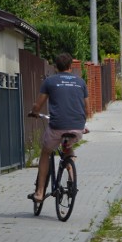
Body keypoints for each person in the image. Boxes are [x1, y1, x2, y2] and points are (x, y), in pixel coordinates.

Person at [27, 52, 88, 203]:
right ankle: (72, 180)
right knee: (67, 147)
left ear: (55, 67)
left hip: (57, 126)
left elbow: (38, 104)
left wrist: (34, 112)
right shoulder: (80, 82)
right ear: (70, 66)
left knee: (46, 153)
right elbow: (88, 108)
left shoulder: (50, 81)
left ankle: (40, 192)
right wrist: (82, 124)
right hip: (77, 127)